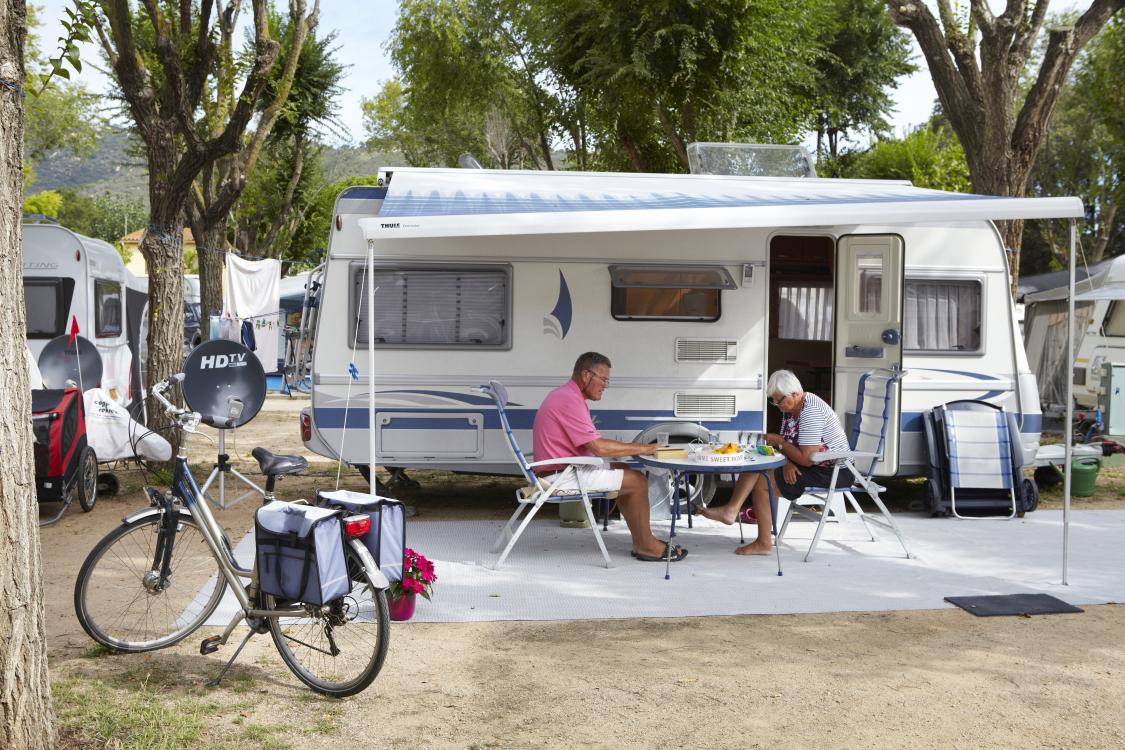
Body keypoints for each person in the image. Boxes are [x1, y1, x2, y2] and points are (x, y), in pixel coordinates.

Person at [533, 352, 687, 562]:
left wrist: (638, 449)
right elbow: (599, 448)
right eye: (603, 379)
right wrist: (646, 448)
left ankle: (641, 540)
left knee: (624, 471)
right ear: (587, 375)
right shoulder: (568, 400)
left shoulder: (567, 395)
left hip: (563, 469)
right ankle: (646, 545)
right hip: (560, 476)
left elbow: (595, 444)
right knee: (637, 481)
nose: (606, 385)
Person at [699, 369, 849, 556]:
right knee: (757, 461)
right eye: (773, 401)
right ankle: (731, 510)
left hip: (833, 470)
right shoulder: (793, 408)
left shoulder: (811, 410)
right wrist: (786, 462)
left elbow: (807, 458)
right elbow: (791, 449)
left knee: (764, 481)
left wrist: (779, 441)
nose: (777, 405)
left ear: (794, 394)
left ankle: (762, 542)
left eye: (779, 400)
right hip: (812, 463)